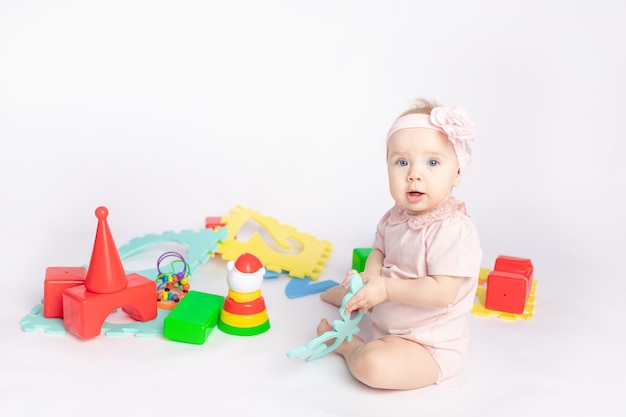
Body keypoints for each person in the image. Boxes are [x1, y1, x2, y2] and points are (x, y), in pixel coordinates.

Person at [318, 98, 483, 390]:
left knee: (374, 366)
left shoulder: (452, 228)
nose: (414, 174)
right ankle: (354, 298)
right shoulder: (395, 217)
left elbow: (442, 292)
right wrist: (371, 276)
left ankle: (349, 347)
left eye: (432, 162)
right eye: (402, 162)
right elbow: (379, 250)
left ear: (457, 172)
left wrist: (384, 288)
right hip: (387, 315)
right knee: (358, 291)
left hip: (428, 346)